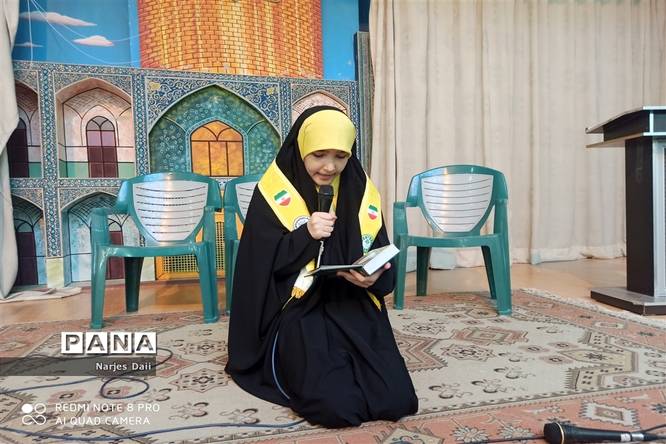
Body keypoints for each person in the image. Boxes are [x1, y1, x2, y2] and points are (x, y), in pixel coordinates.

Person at [225, 106, 418, 428]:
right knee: (337, 409)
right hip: (297, 307)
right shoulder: (272, 192)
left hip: (351, 302)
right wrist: (306, 235)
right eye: (319, 155)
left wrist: (373, 276)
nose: (330, 167)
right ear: (302, 149)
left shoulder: (360, 189)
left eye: (340, 156)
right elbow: (257, 266)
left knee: (397, 401)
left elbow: (381, 251)